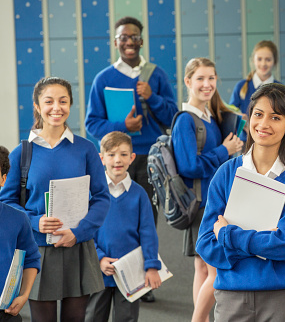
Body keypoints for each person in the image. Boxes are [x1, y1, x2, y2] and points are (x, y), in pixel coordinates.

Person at [196, 83, 285, 321]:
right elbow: (206, 245)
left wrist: (229, 236)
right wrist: (264, 242)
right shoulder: (226, 173)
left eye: (275, 117)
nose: (263, 124)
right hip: (232, 296)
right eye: (258, 114)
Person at [0, 77, 110, 322]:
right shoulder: (22, 153)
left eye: (63, 101)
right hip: (38, 250)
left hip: (77, 247)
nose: (56, 108)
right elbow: (7, 202)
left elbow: (102, 198)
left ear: (70, 104)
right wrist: (34, 221)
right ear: (38, 106)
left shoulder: (86, 149)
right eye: (48, 101)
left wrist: (79, 232)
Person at [85, 18, 177, 300]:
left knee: (146, 216)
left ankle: (142, 276)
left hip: (149, 157)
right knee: (113, 217)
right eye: (123, 37)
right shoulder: (103, 78)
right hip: (116, 160)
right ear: (116, 42)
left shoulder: (155, 75)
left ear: (141, 41)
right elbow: (92, 124)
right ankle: (109, 272)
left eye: (133, 36)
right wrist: (123, 126)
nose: (128, 42)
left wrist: (154, 99)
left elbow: (173, 114)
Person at [172, 58, 242, 322]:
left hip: (212, 201)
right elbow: (189, 166)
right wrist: (225, 150)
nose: (207, 84)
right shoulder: (186, 121)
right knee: (214, 272)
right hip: (202, 204)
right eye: (200, 79)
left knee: (202, 269)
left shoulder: (210, 116)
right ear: (188, 82)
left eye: (211, 78)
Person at [85, 131, 161, 322]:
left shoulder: (140, 194)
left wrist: (151, 266)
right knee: (93, 317)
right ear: (101, 158)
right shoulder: (91, 193)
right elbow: (86, 232)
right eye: (111, 155)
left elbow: (148, 232)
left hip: (130, 272)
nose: (117, 160)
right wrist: (100, 258)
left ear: (132, 158)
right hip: (98, 271)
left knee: (126, 318)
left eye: (123, 154)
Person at [0, 146, 40, 322]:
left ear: (3, 179)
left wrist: (24, 295)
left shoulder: (18, 219)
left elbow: (31, 259)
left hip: (5, 312)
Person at [230, 40, 280, 115]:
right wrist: (239, 118)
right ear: (253, 60)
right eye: (259, 59)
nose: (263, 64)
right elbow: (230, 115)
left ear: (275, 61)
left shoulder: (281, 89)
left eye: (268, 60)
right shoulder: (241, 86)